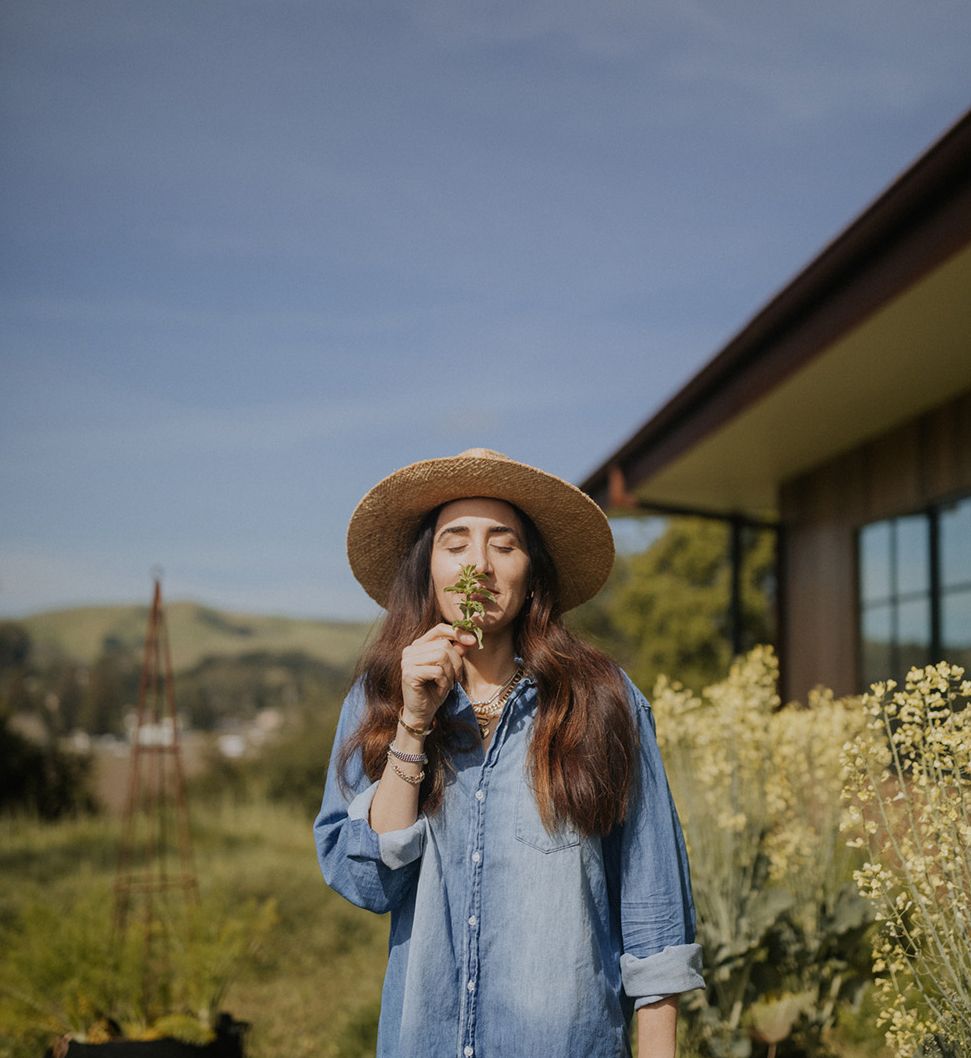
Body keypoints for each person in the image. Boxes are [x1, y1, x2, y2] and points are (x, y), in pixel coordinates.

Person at [314, 448, 705, 1058]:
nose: (480, 566)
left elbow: (656, 921)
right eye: (455, 543)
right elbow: (365, 882)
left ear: (533, 572)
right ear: (428, 568)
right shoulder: (381, 697)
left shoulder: (602, 699)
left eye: (504, 545)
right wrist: (415, 725)